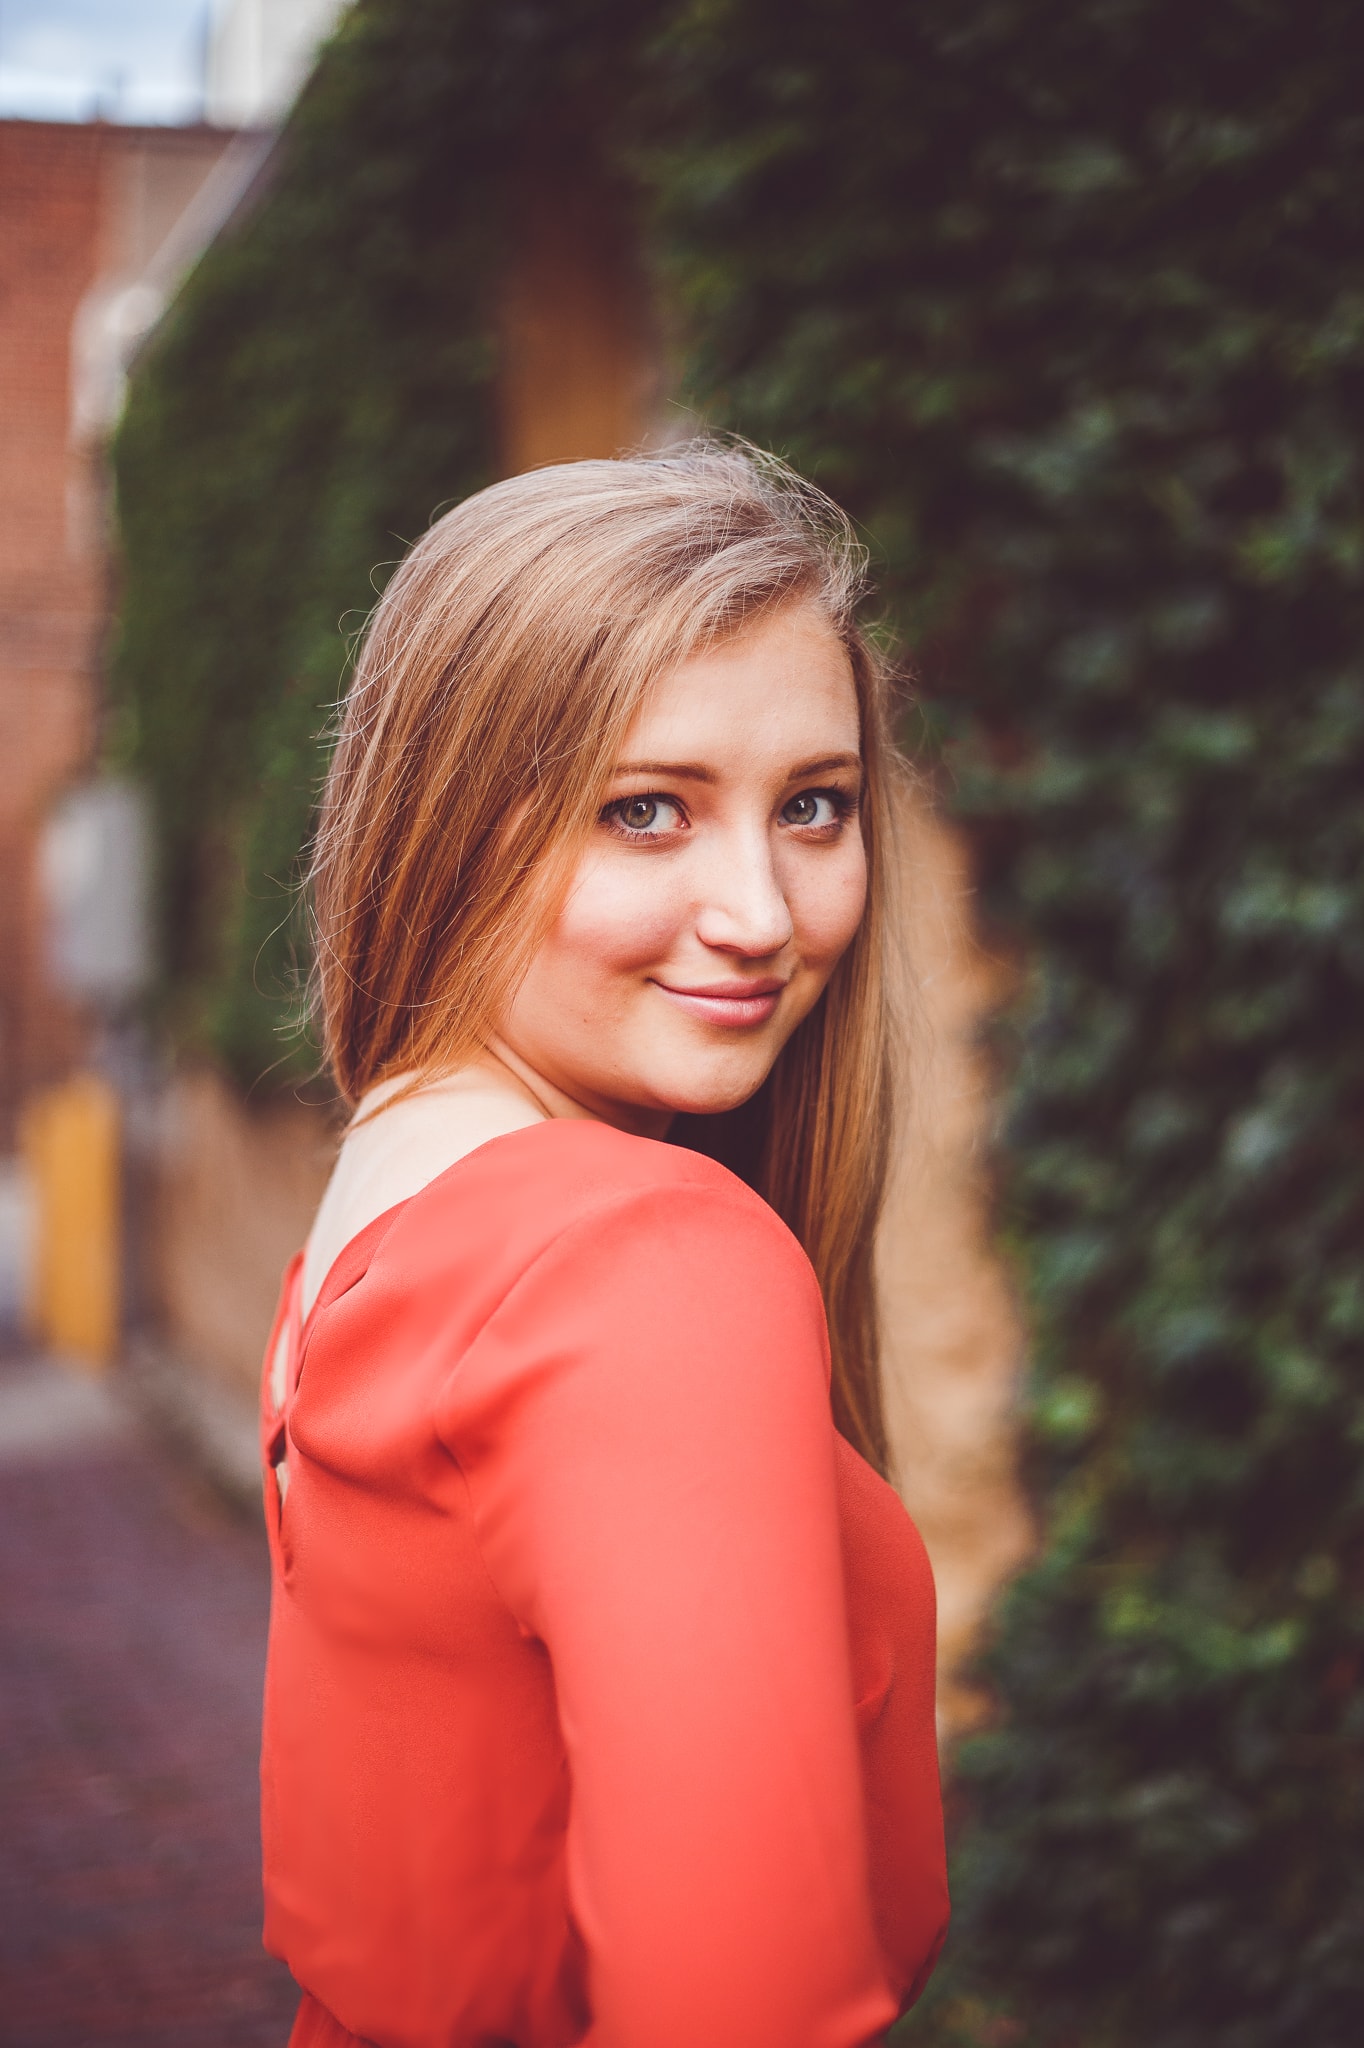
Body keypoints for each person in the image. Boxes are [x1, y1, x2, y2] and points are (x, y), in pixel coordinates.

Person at [259, 444, 950, 2048]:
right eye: (646, 811)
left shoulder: (393, 1192)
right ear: (442, 821)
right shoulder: (642, 1263)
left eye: (815, 809)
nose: (761, 911)